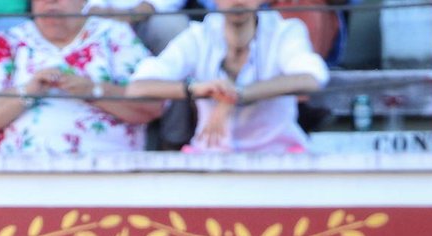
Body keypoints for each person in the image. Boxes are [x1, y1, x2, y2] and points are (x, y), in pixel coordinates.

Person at [125, 0, 329, 154]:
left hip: (278, 154)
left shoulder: (284, 31)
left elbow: (311, 77)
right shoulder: (199, 36)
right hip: (210, 157)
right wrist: (196, 89)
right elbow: (137, 87)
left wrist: (238, 94)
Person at [0, 0, 156, 155]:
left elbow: (151, 107)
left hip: (111, 166)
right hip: (20, 170)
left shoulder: (115, 34)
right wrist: (28, 91)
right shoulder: (8, 40)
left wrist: (93, 90)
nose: (51, 2)